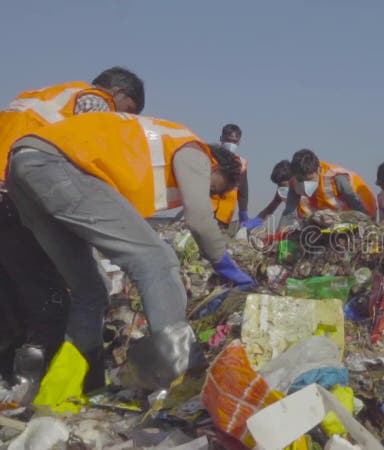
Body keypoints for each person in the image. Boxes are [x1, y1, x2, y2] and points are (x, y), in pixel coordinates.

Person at [5, 112, 255, 396]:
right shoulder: (195, 150)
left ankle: (70, 388)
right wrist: (225, 265)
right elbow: (198, 218)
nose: (205, 192)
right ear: (215, 166)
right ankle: (183, 380)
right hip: (57, 164)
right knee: (157, 260)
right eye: (212, 187)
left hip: (23, 165)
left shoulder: (145, 155)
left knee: (90, 290)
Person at [0, 67, 145, 390]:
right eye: (129, 112)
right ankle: (41, 383)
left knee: (10, 295)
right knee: (51, 298)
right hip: (14, 195)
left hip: (6, 192)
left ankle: (9, 377)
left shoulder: (41, 96)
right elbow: (80, 155)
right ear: (119, 94)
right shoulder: (94, 100)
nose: (123, 121)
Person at [279, 149, 376, 228]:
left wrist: (369, 227)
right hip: (331, 216)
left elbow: (359, 210)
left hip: (363, 209)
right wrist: (278, 239)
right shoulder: (292, 184)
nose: (305, 184)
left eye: (309, 179)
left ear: (318, 170)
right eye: (300, 179)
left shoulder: (337, 178)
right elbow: (288, 214)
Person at [211, 123, 251, 228]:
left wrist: (243, 213)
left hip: (225, 215)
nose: (231, 143)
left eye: (234, 141)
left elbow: (243, 192)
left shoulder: (241, 163)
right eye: (228, 140)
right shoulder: (211, 156)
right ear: (221, 138)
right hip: (206, 209)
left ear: (239, 142)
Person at [245, 160, 293, 230]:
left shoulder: (301, 191)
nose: (280, 188)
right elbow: (268, 210)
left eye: (283, 185)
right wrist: (252, 223)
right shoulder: (281, 192)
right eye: (278, 185)